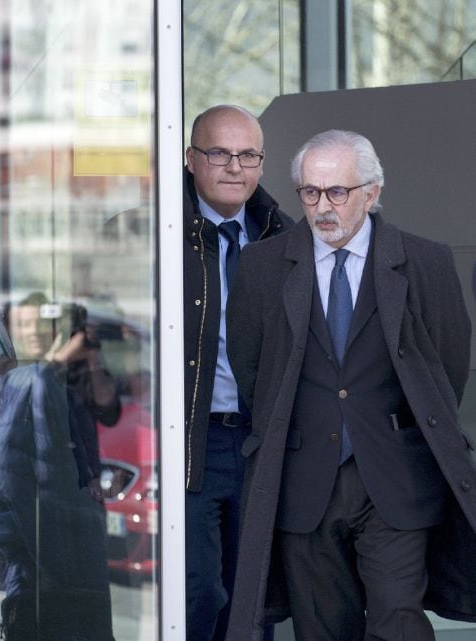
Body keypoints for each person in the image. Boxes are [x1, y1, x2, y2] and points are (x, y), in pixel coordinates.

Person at [225, 129, 476, 641]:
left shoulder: (426, 261)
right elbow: (252, 368)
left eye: (337, 192)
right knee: (321, 629)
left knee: (398, 624)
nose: (322, 207)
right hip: (303, 480)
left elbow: (446, 365)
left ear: (372, 191)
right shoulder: (262, 266)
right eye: (310, 192)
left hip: (396, 478)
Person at [183, 104, 292, 641]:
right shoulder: (155, 235)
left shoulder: (283, 238)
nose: (234, 167)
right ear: (191, 159)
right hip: (189, 442)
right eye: (219, 153)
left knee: (252, 598)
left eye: (248, 154)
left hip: (257, 442)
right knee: (197, 590)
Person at [0, 293, 118, 641]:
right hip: (34, 530)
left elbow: (108, 410)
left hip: (68, 522)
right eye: (23, 324)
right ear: (11, 330)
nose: (34, 332)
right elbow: (6, 473)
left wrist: (90, 359)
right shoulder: (18, 378)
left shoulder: (64, 374)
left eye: (41, 323)